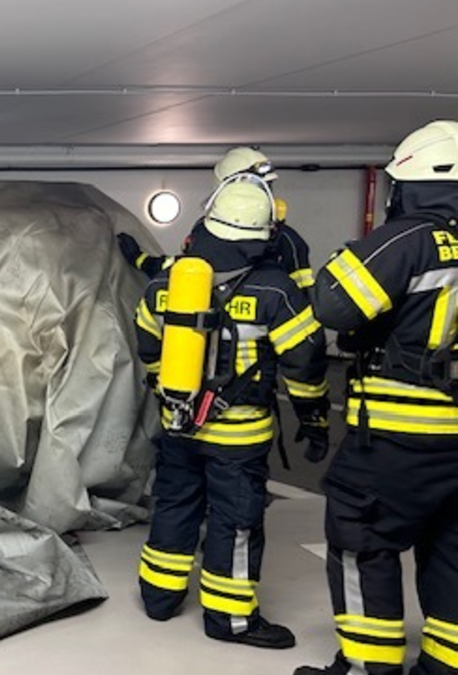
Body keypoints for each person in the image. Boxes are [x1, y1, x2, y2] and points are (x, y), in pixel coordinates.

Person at [134, 179, 330, 649]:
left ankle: (159, 597)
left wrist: (174, 398)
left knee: (175, 506)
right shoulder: (275, 290)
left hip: (179, 427)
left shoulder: (166, 284)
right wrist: (314, 418)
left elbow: (147, 349)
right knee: (235, 522)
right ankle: (229, 619)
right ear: (261, 234)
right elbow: (304, 362)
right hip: (239, 438)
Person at [296, 120, 458, 675]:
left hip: (400, 437)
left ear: (409, 185)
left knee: (362, 540)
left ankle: (370, 666)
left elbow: (334, 305)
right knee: (451, 552)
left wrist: (353, 254)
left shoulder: (409, 239)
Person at [119, 146, 315, 288]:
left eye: (265, 187)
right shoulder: (204, 231)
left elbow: (302, 300)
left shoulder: (287, 241)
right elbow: (185, 268)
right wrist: (140, 259)